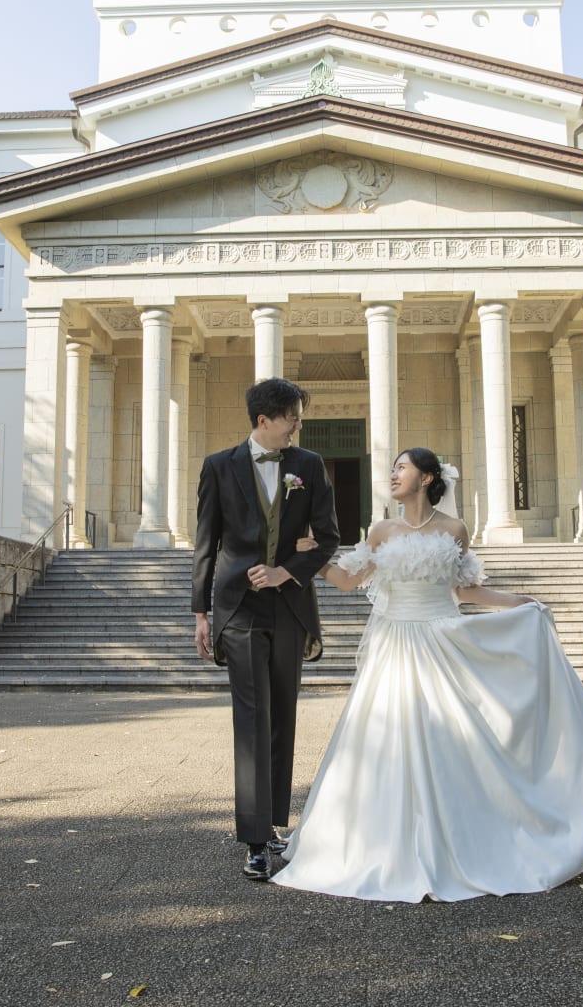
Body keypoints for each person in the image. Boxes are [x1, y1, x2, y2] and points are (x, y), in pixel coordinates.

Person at [272, 447, 583, 902]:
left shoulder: (455, 529)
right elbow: (349, 580)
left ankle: (469, 836)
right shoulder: (382, 529)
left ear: (427, 478)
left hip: (441, 638)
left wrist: (518, 601)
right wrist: (311, 559)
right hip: (395, 642)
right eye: (393, 468)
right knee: (387, 736)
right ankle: (379, 842)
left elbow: (465, 589)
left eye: (402, 467)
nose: (393, 473)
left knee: (452, 737)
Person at [192, 378, 339, 882]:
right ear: (264, 421)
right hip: (238, 611)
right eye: (292, 417)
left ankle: (275, 823)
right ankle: (254, 840)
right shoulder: (218, 466)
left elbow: (330, 538)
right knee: (251, 721)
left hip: (290, 607)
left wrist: (287, 572)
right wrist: (200, 612)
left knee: (283, 717)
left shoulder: (309, 466)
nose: (299, 425)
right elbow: (206, 543)